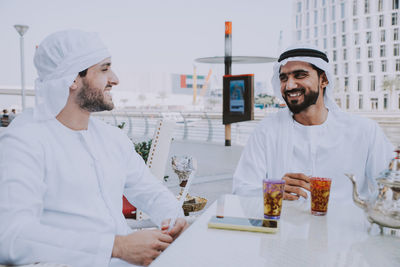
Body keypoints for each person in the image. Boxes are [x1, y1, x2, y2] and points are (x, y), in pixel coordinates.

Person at [0, 30, 187, 267]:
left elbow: (150, 191)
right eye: (105, 68)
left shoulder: (111, 138)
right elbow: (11, 237)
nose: (115, 79)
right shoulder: (25, 140)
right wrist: (116, 246)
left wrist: (173, 219)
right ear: (73, 78)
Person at [233, 44, 394, 201]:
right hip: (284, 227)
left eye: (300, 75)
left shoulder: (364, 131)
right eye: (283, 78)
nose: (289, 85)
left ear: (323, 80)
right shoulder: (266, 130)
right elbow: (242, 189)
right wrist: (273, 190)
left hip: (348, 227)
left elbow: (390, 190)